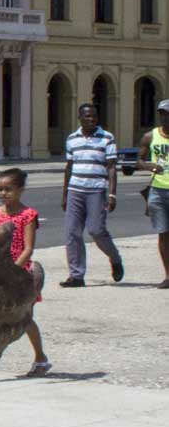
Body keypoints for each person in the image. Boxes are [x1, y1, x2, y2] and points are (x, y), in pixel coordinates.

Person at [0, 168, 51, 379]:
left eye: (8, 189)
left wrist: (13, 271)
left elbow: (28, 248)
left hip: (20, 274)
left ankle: (41, 359)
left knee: (24, 319)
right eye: (0, 189)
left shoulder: (27, 215)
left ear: (20, 190)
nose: (3, 194)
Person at [59, 101, 122, 287]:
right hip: (75, 190)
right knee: (72, 233)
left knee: (96, 230)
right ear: (80, 118)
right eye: (87, 116)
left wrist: (112, 195)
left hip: (96, 190)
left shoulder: (106, 138)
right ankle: (76, 275)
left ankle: (115, 258)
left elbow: (111, 168)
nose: (91, 119)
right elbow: (69, 167)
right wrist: (64, 195)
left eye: (94, 116)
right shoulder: (72, 139)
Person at [143, 98, 169, 289]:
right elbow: (138, 160)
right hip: (158, 190)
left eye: (167, 113)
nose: (164, 117)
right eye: (162, 113)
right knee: (163, 234)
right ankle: (168, 275)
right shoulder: (150, 136)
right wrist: (148, 165)